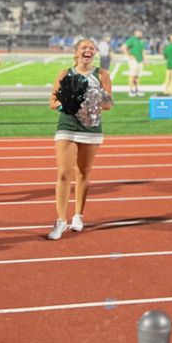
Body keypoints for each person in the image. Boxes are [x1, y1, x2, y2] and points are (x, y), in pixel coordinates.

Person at [47, 38, 113, 240]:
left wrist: (91, 95)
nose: (88, 50)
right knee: (64, 173)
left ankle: (78, 215)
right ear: (76, 53)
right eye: (84, 47)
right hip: (67, 126)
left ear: (95, 53)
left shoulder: (102, 75)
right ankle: (60, 221)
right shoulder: (65, 73)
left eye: (92, 48)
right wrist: (68, 105)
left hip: (91, 128)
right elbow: (52, 102)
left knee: (83, 173)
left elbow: (108, 104)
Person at [123, 29, 146, 96]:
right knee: (132, 75)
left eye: (140, 33)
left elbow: (143, 51)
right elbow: (124, 47)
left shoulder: (142, 41)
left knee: (137, 76)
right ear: (135, 33)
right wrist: (128, 55)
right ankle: (130, 90)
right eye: (138, 32)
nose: (140, 34)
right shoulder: (132, 39)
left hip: (140, 60)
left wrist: (144, 59)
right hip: (134, 60)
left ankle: (136, 89)